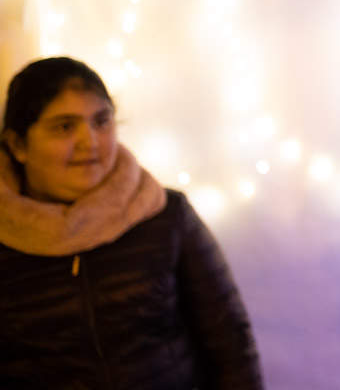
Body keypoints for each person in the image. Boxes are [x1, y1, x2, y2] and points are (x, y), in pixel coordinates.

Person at [0, 56, 264, 389]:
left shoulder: (164, 215)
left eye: (101, 121)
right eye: (65, 126)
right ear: (18, 145)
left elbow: (229, 344)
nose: (89, 142)